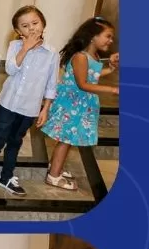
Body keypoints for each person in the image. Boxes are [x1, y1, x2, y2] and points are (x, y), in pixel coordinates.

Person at [0, 5, 59, 197]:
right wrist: (25, 49)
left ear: (43, 24)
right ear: (18, 31)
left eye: (35, 23)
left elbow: (52, 84)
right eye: (25, 26)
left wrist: (45, 109)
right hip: (8, 103)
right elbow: (10, 69)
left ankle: (6, 177)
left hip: (30, 108)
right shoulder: (15, 46)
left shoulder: (51, 53)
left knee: (15, 141)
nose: (32, 28)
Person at [42, 17, 120, 189]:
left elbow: (93, 74)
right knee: (65, 140)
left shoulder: (93, 56)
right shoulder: (80, 57)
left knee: (67, 139)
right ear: (93, 36)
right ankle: (53, 176)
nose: (111, 40)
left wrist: (112, 68)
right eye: (108, 36)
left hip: (81, 105)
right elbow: (83, 83)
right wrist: (113, 90)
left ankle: (56, 167)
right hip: (72, 105)